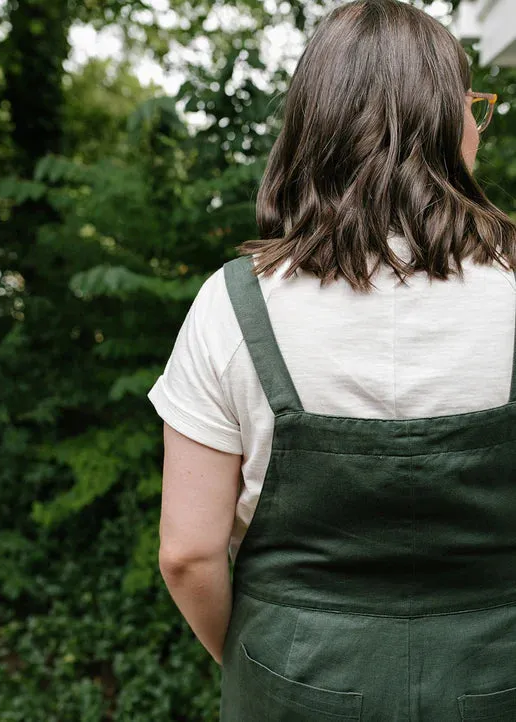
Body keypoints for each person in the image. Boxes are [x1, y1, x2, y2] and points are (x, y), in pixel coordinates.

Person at [147, 0, 516, 719]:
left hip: (292, 678)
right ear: (442, 123)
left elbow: (187, 554)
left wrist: (261, 664)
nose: (479, 127)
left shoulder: (232, 306)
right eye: (472, 105)